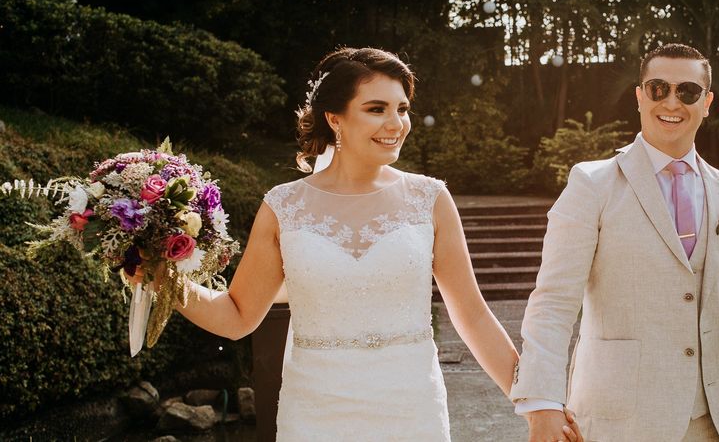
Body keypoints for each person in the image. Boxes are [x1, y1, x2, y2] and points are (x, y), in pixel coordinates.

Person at [131, 47, 582, 441]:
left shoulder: (429, 198)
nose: (396, 123)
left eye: (402, 108)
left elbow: (473, 316)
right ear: (334, 117)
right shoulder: (284, 206)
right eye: (376, 108)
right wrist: (162, 274)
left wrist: (535, 403)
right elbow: (236, 316)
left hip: (411, 408)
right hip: (315, 411)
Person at [511, 43, 719, 442]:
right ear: (640, 96)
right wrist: (541, 401)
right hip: (619, 421)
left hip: (718, 423)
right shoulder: (592, 185)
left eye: (688, 91)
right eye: (658, 88)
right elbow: (553, 302)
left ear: (707, 102)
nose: (671, 101)